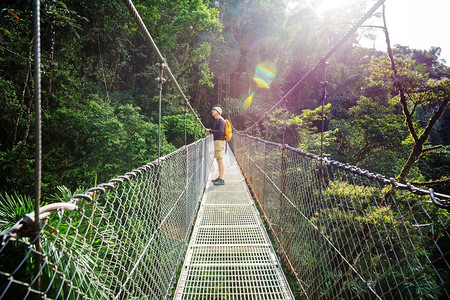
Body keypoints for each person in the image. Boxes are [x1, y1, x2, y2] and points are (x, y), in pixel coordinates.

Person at [207, 106, 226, 185]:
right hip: (217, 142)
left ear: (218, 112)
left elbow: (221, 132)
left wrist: (210, 131)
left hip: (219, 142)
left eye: (214, 110)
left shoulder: (221, 120)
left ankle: (222, 179)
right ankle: (220, 177)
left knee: (220, 160)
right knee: (218, 160)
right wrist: (210, 131)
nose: (212, 111)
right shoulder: (217, 120)